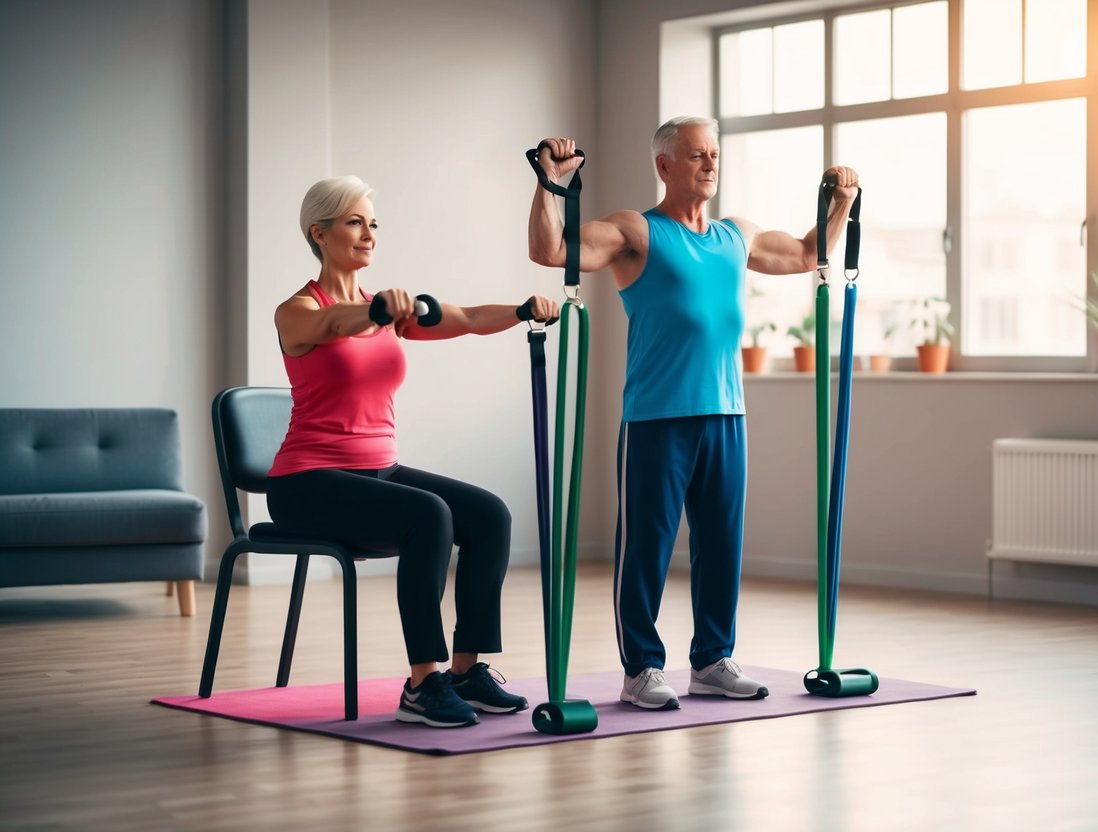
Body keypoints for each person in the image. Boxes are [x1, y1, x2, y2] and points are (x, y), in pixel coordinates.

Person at [528, 117, 859, 710]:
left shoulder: (737, 235)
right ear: (664, 166)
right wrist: (551, 184)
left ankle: (711, 659)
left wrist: (841, 201)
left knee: (721, 544)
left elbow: (811, 253)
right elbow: (550, 250)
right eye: (696, 155)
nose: (710, 164)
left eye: (714, 154)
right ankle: (641, 669)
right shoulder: (639, 231)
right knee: (647, 548)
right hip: (657, 419)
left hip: (727, 415)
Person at [266, 175, 560, 729]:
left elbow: (469, 319)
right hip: (306, 483)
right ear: (319, 232)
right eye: (355, 221)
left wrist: (522, 310)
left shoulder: (386, 309)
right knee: (429, 515)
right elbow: (330, 324)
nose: (368, 233)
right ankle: (423, 683)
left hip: (379, 472)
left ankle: (467, 670)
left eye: (373, 223)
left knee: (488, 514)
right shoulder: (298, 310)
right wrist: (375, 314)